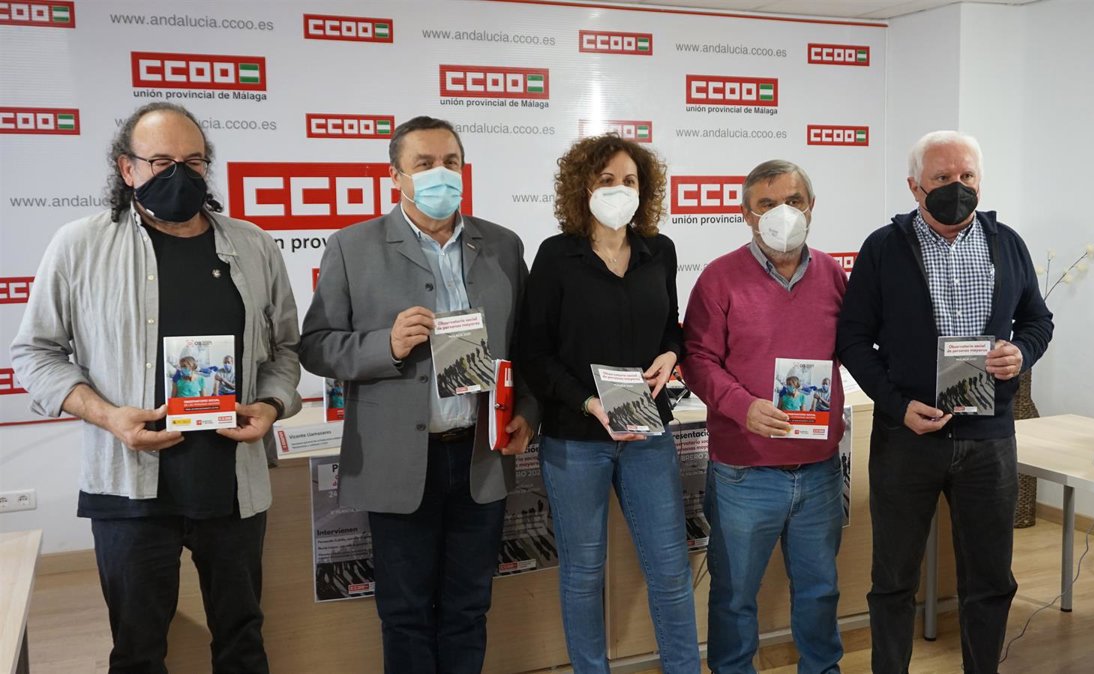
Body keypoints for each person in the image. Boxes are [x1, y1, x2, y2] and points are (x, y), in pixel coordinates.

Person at [9, 101, 302, 674]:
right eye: (162, 161)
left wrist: (271, 405)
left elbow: (286, 349)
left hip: (232, 485)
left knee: (243, 642)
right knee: (138, 652)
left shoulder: (253, 244)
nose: (180, 175)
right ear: (127, 169)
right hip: (129, 488)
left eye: (193, 162)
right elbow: (34, 353)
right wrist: (107, 415)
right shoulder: (79, 245)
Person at [299, 116, 538, 674]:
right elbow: (315, 347)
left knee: (468, 608)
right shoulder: (352, 247)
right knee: (404, 613)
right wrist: (385, 344)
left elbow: (528, 345)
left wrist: (528, 410)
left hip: (480, 456)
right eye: (424, 164)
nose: (440, 174)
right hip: (398, 462)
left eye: (450, 162)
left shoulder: (503, 245)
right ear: (395, 176)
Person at [836, 130, 1054, 674]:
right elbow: (854, 340)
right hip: (907, 437)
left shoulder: (1007, 244)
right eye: (941, 178)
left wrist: (1021, 353)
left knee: (991, 579)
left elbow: (1037, 319)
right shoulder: (883, 248)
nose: (957, 187)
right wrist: (895, 406)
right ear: (914, 186)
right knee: (893, 580)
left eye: (967, 176)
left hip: (989, 440)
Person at [517, 134, 700, 673]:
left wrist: (672, 353)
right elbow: (534, 352)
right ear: (583, 187)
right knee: (582, 575)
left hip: (647, 432)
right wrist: (588, 403)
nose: (619, 190)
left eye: (630, 181)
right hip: (576, 439)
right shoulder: (557, 256)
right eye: (606, 179)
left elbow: (670, 325)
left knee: (670, 569)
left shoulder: (659, 250)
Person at [683, 159, 848, 674]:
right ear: (746, 215)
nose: (783, 213)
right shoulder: (719, 278)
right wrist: (742, 407)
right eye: (767, 204)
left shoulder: (833, 274)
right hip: (745, 472)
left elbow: (854, 348)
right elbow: (697, 359)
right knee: (734, 596)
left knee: (820, 591)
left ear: (811, 207)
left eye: (794, 201)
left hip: (819, 469)